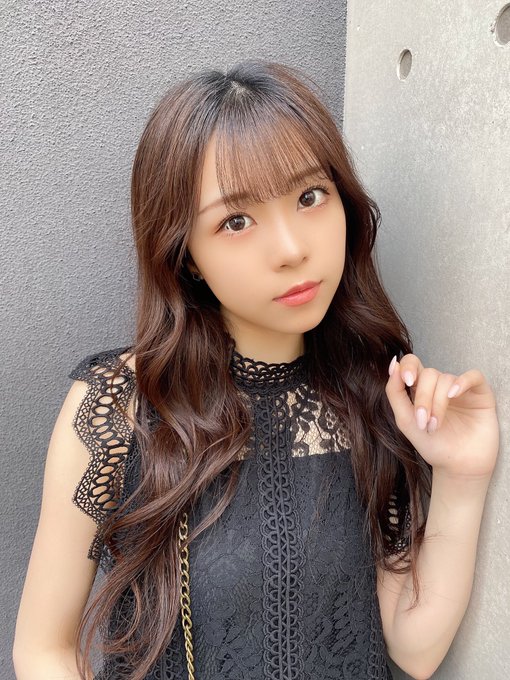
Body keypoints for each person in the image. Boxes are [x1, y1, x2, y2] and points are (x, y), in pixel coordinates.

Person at [13, 59, 499, 680]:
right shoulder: (120, 404)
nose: (292, 249)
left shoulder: (371, 393)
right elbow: (44, 649)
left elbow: (414, 648)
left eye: (309, 196)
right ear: (187, 254)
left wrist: (462, 475)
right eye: (236, 221)